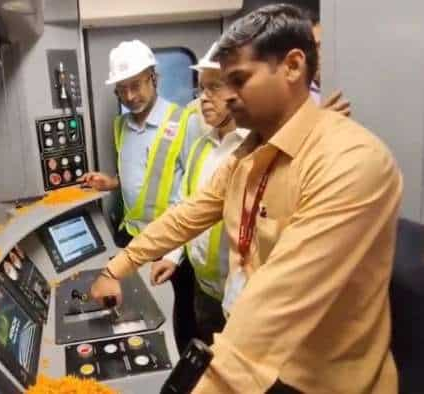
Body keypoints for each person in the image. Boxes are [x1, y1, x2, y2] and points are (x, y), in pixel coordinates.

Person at [91, 4, 401, 393]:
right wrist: (116, 267)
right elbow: (188, 214)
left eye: (237, 80)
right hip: (256, 364)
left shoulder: (350, 162)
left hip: (312, 382)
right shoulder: (248, 156)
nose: (226, 97)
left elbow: (277, 306)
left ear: (292, 66)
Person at [78, 39, 200, 353]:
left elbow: (196, 194)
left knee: (179, 329)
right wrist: (113, 182)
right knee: (142, 326)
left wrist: (174, 254)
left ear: (154, 78)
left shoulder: (184, 122)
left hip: (172, 251)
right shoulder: (121, 127)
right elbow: (148, 177)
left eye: (137, 85)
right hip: (133, 240)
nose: (130, 96)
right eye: (122, 89)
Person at [149, 42, 249, 345]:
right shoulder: (200, 147)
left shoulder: (255, 150)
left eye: (214, 88)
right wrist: (172, 255)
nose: (203, 99)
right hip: (204, 288)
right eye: (201, 89)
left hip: (242, 299)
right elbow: (185, 206)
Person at [307, 9, 351, 116]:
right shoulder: (295, 94)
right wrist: (319, 120)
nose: (323, 53)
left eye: (327, 46)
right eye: (317, 47)